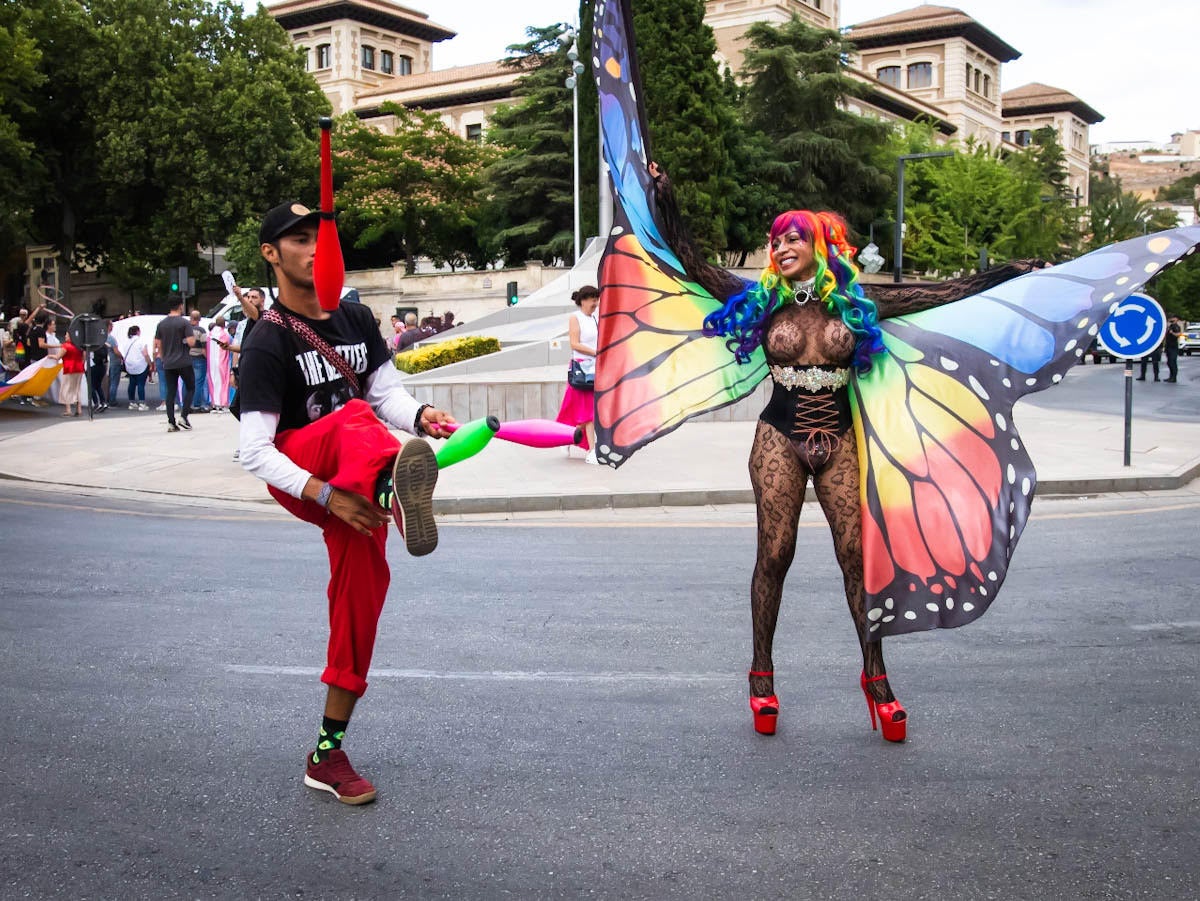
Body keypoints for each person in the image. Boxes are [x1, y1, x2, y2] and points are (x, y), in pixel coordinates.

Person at [646, 162, 1048, 741]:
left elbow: (940, 292)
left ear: (819, 246)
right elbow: (695, 264)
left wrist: (1007, 273)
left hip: (839, 438)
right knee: (775, 554)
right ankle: (762, 676)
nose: (781, 247)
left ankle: (876, 679)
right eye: (776, 240)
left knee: (858, 558)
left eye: (793, 238)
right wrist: (668, 201)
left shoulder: (854, 305)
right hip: (779, 436)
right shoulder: (759, 300)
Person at [237, 201, 456, 805]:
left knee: (361, 601)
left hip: (360, 475)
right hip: (306, 471)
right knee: (353, 417)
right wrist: (328, 495)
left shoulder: (356, 319)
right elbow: (253, 451)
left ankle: (326, 751)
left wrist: (421, 416)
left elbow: (386, 394)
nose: (314, 250)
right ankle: (395, 487)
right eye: (299, 240)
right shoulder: (265, 342)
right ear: (271, 255)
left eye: (322, 239)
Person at [554, 286, 600, 463]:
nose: (595, 303)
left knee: (581, 411)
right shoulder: (576, 318)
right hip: (581, 370)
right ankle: (592, 451)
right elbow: (574, 344)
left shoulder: (594, 319)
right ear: (582, 301)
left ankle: (566, 436)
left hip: (594, 369)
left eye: (596, 299)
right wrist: (596, 352)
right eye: (592, 299)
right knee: (588, 411)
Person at [154, 298, 196, 432]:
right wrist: (185, 340)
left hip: (168, 362)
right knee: (190, 387)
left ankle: (171, 422)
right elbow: (191, 342)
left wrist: (163, 356)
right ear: (180, 306)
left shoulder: (161, 324)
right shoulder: (184, 322)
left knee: (170, 391)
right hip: (183, 360)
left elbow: (157, 343)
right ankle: (184, 416)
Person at [123, 324, 152, 410]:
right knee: (140, 384)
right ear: (138, 332)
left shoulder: (127, 342)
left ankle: (131, 402)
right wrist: (150, 363)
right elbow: (145, 354)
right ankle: (142, 403)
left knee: (132, 383)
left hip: (130, 365)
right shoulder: (141, 341)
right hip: (140, 365)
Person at [188, 310, 211, 412]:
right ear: (199, 319)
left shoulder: (186, 330)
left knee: (187, 382)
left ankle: (186, 404)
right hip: (199, 358)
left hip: (187, 358)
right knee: (198, 382)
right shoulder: (201, 331)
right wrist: (207, 358)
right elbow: (203, 347)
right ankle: (196, 404)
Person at [208, 315, 233, 410]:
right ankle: (223, 403)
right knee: (223, 382)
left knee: (213, 382)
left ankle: (214, 403)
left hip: (211, 363)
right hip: (222, 362)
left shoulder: (210, 335)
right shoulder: (225, 335)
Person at [58, 335, 85, 416]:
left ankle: (68, 409)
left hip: (69, 368)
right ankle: (79, 409)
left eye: (67, 335)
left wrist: (50, 356)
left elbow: (58, 356)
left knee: (66, 388)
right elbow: (84, 357)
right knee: (77, 388)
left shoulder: (65, 346)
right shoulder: (79, 346)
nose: (65, 336)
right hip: (79, 368)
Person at [104, 320, 124, 407]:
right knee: (114, 382)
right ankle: (112, 400)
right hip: (114, 362)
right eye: (111, 325)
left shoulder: (101, 337)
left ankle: (106, 398)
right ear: (108, 326)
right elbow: (116, 351)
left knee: (107, 382)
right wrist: (122, 357)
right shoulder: (111, 339)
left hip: (105, 362)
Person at [1164, 316, 1182, 383]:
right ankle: (1171, 376)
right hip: (1168, 346)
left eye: (1173, 318)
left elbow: (1178, 334)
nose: (1171, 319)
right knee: (1169, 362)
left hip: (1173, 347)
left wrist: (1172, 333)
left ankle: (1174, 378)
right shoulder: (1170, 326)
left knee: (1172, 362)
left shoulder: (1176, 326)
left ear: (1176, 319)